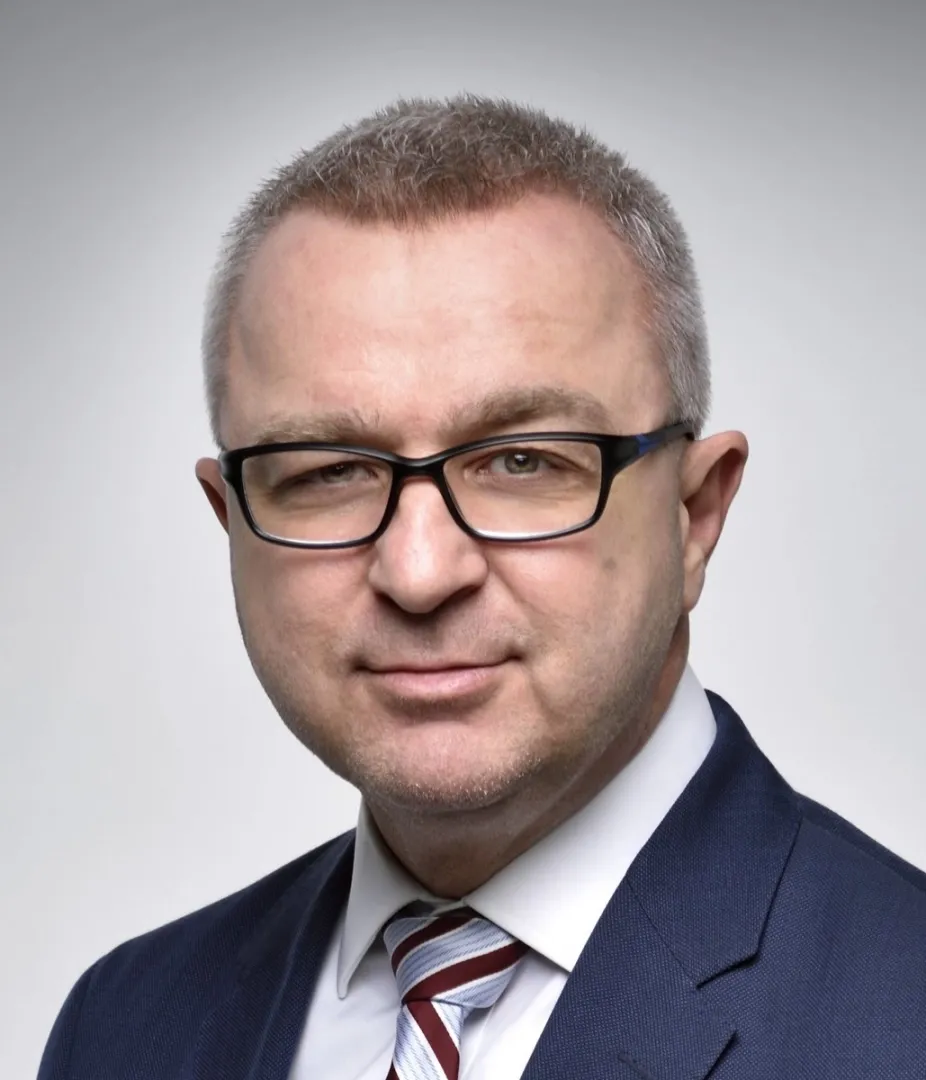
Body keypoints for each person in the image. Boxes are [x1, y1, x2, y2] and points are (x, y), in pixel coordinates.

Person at [38, 94, 926, 1080]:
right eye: (330, 471)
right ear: (231, 520)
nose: (419, 574)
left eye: (521, 461)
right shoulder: (122, 1028)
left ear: (695, 513)